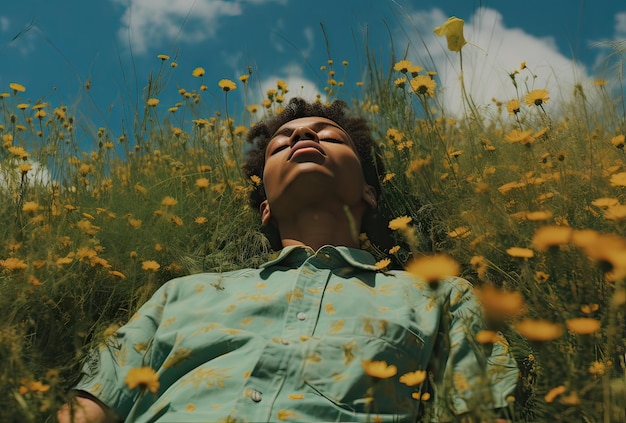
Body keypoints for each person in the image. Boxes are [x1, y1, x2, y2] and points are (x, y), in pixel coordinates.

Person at [57, 98, 518, 422]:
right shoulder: (181, 294)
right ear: (265, 208)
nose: (302, 134)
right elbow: (93, 407)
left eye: (328, 136)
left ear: (368, 193)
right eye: (281, 144)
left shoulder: (439, 296)